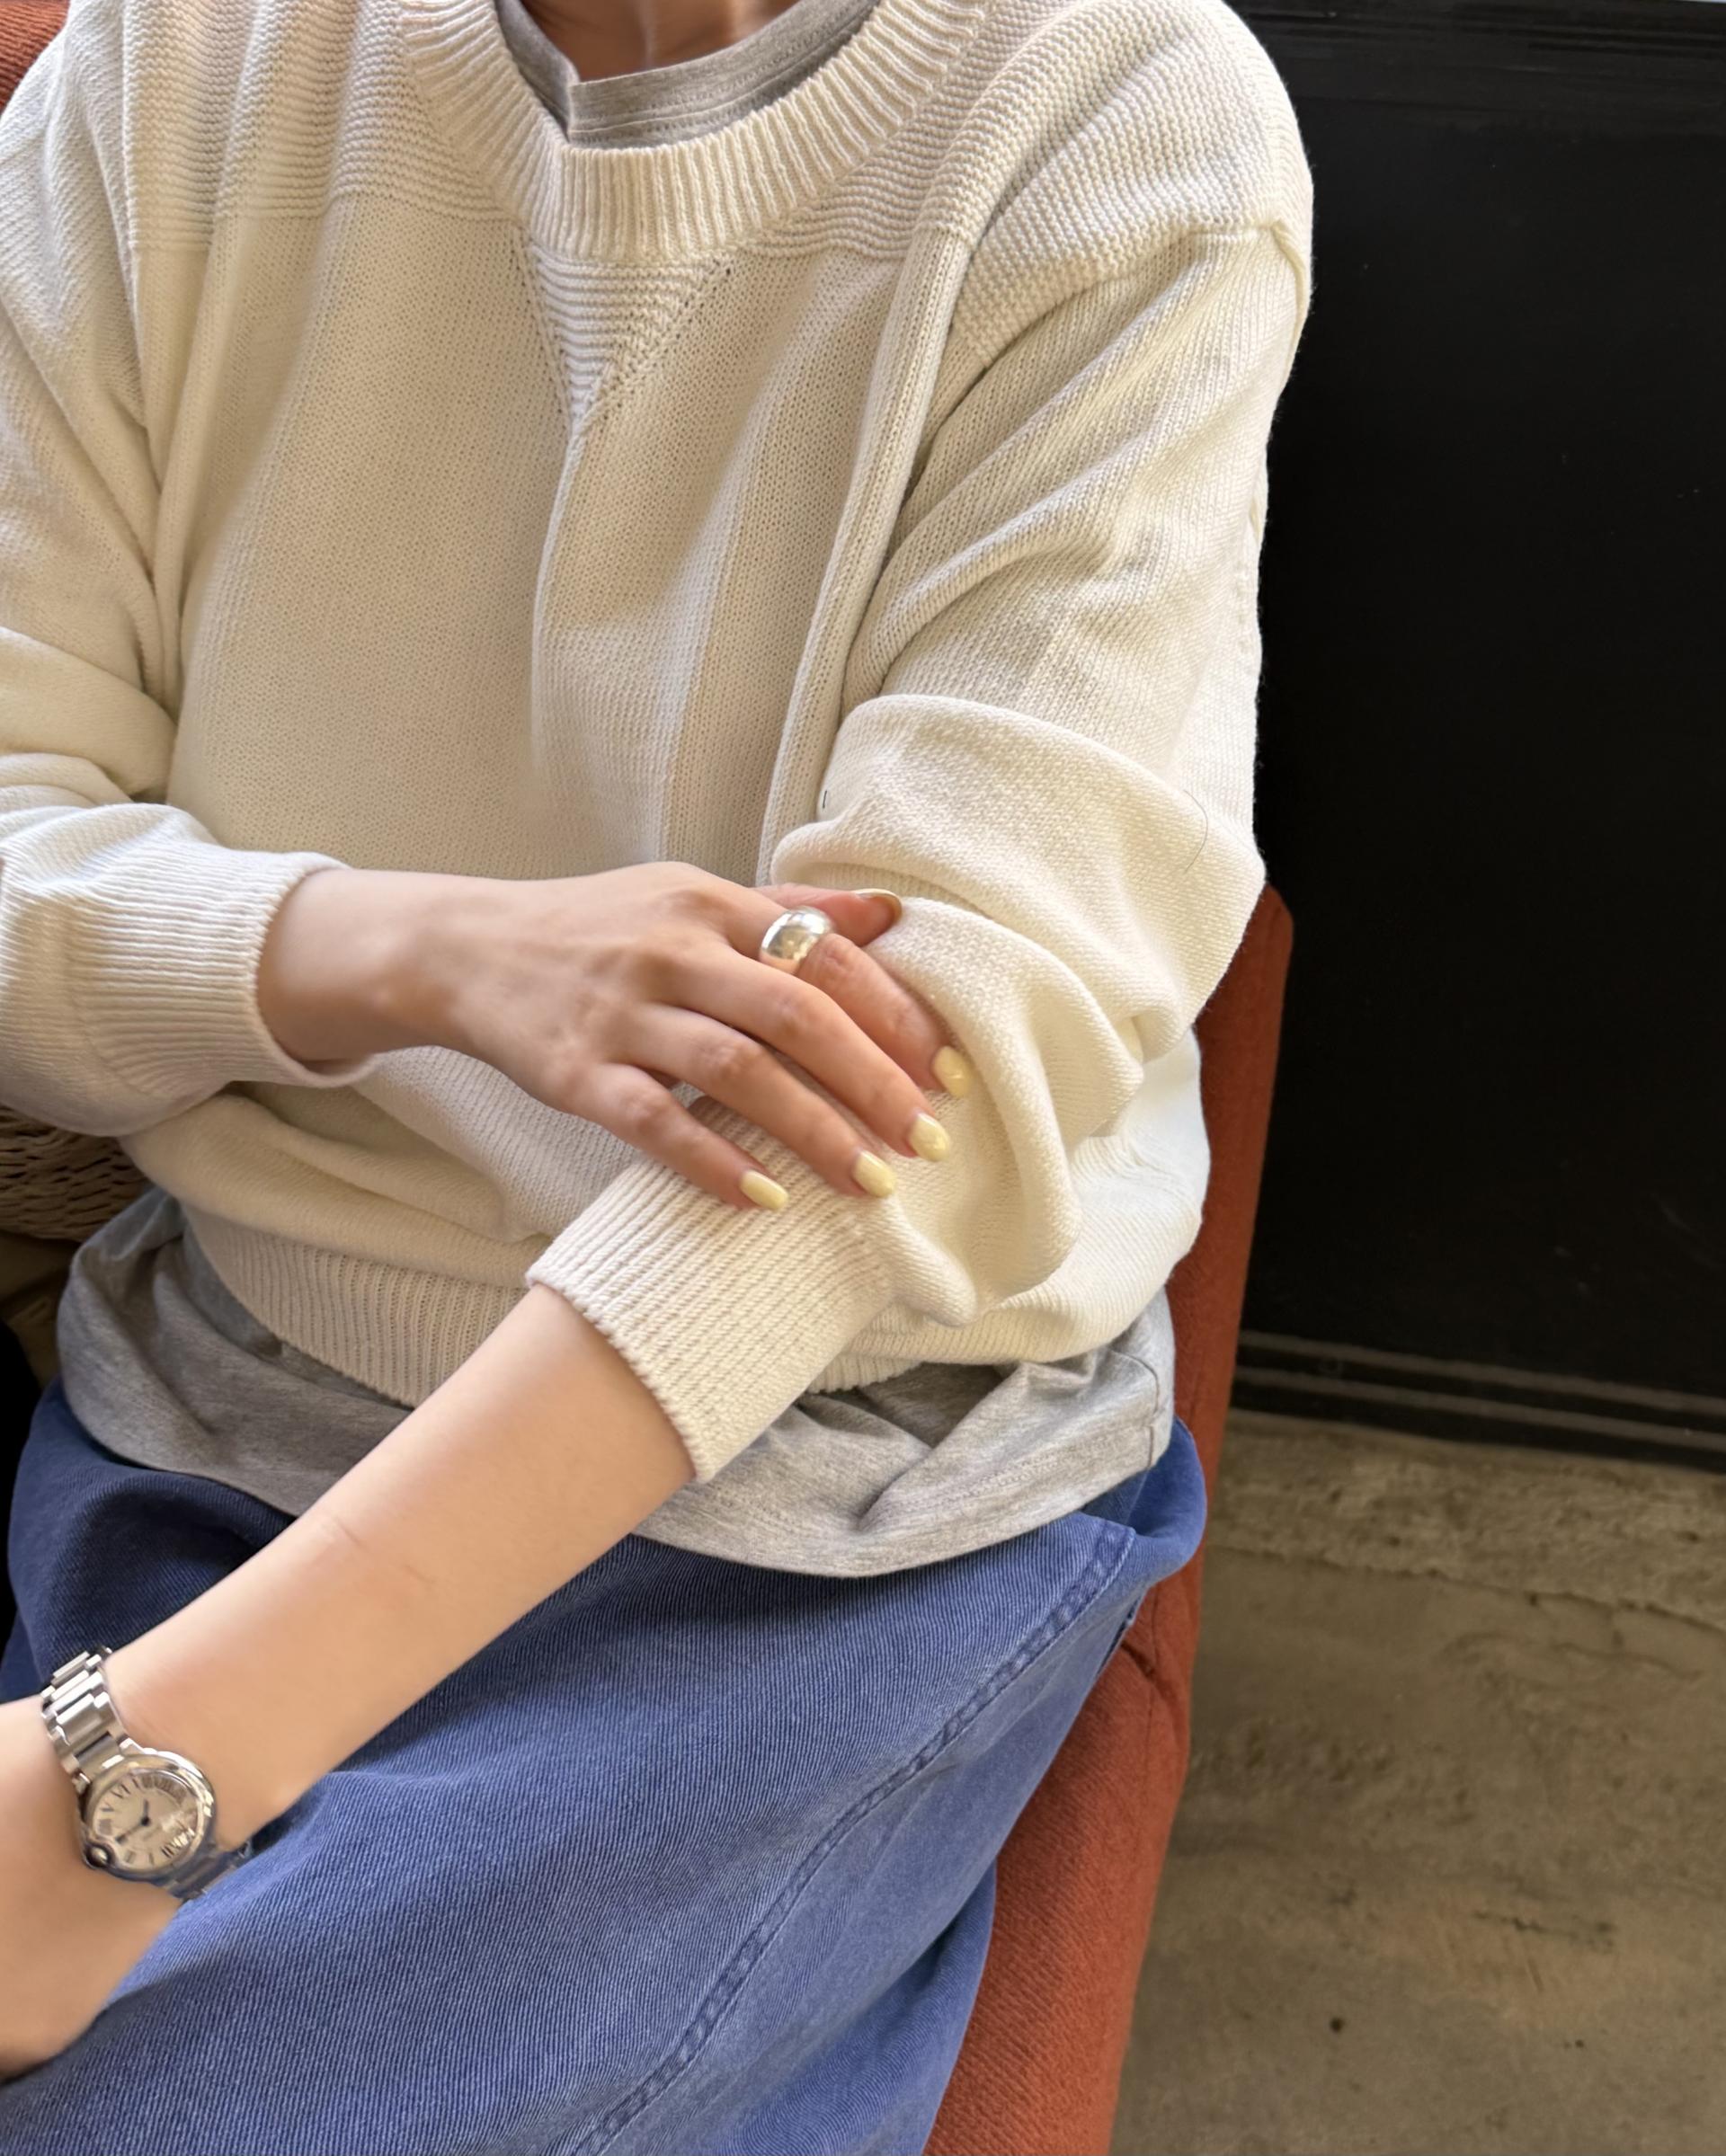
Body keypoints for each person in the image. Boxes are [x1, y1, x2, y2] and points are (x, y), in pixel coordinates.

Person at [0, 0, 1311, 2143]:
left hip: (816, 1524)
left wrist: (129, 1784)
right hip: (214, 1409)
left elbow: (928, 1070)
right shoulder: (163, 67)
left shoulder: (1117, 110)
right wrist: (419, 949)